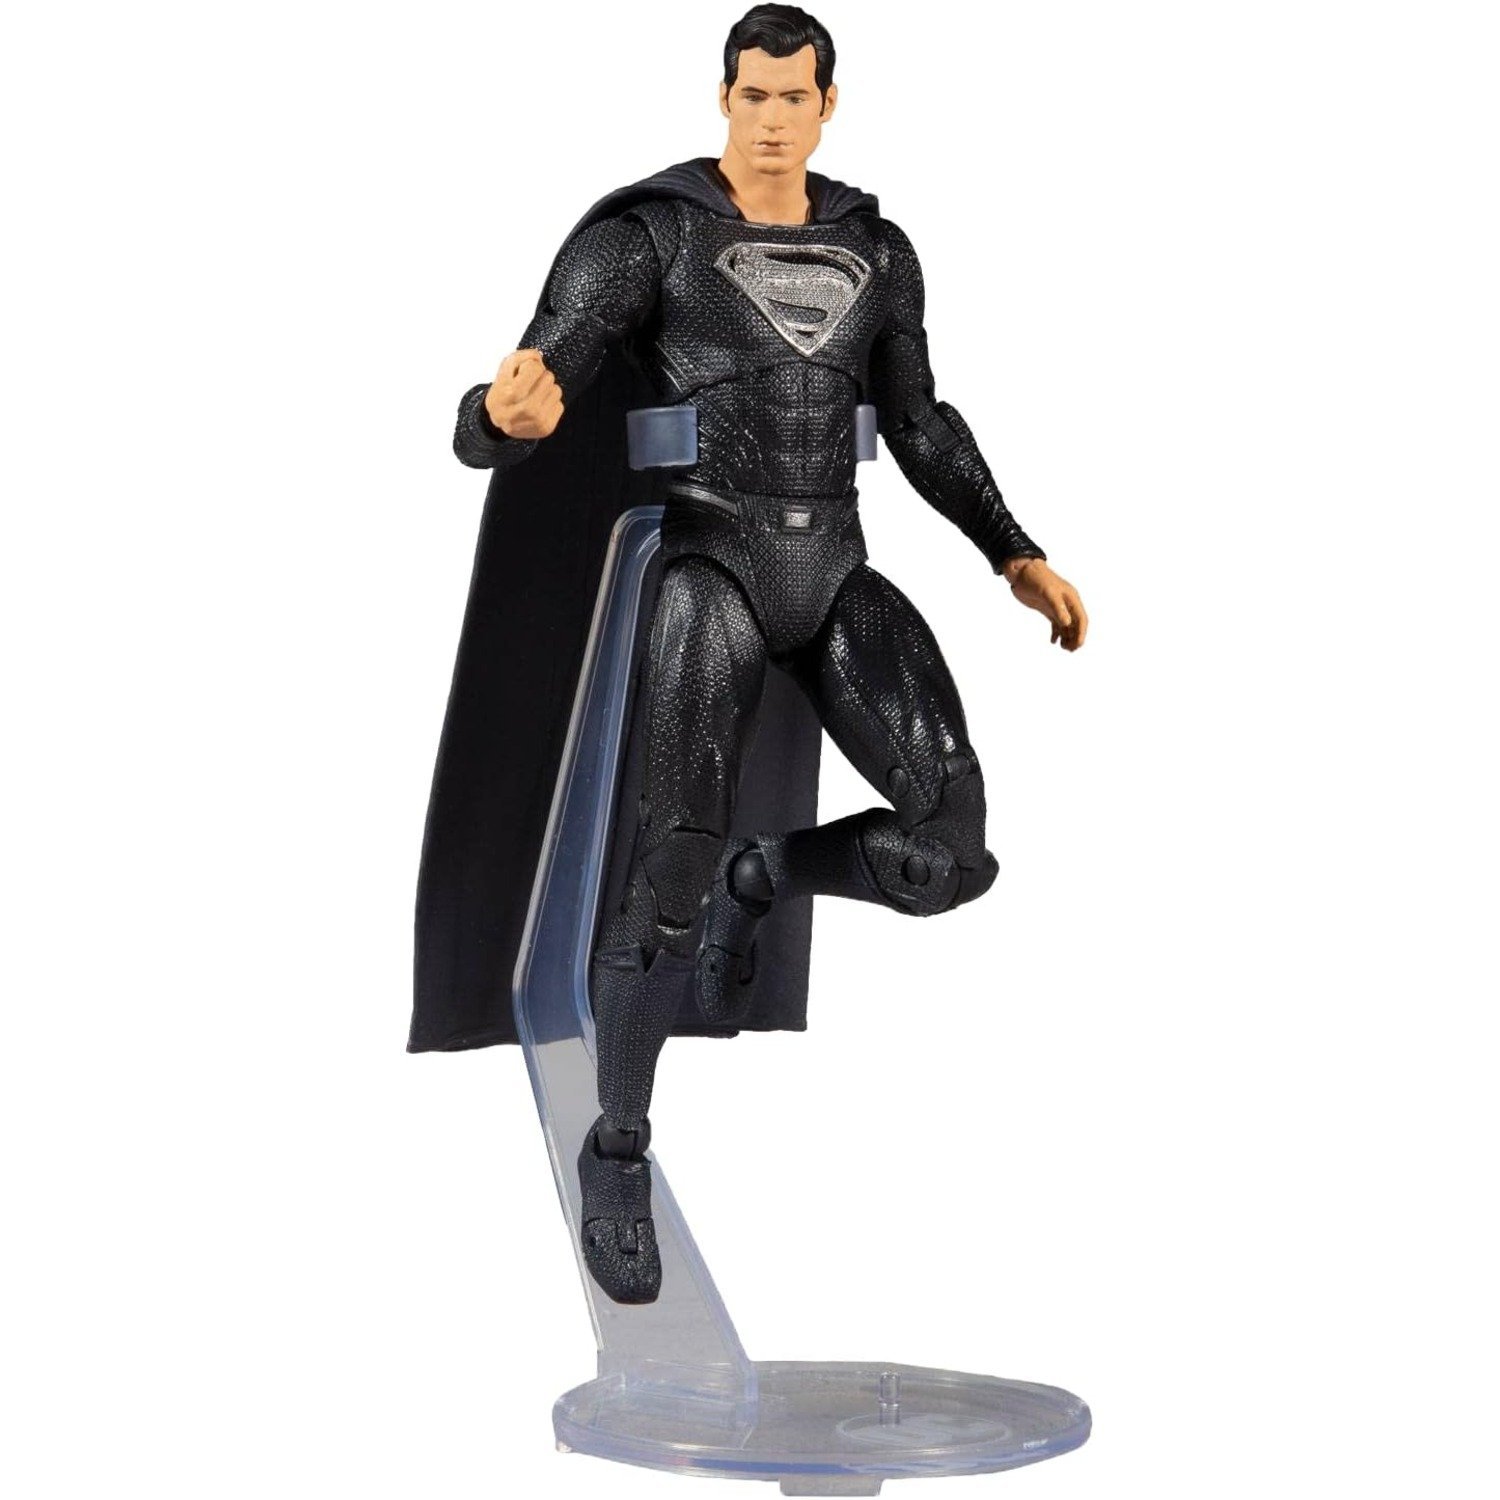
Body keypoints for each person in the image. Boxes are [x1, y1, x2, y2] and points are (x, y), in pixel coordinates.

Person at [441, 4, 1087, 1305]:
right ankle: (617, 1152)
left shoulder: (876, 249)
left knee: (952, 848)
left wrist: (1012, 550)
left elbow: (920, 420)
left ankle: (769, 873)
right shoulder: (654, 238)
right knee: (667, 863)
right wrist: (495, 420)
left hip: (834, 572)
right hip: (712, 568)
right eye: (753, 95)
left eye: (795, 97)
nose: (773, 118)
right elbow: (522, 387)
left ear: (829, 105)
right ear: (723, 98)